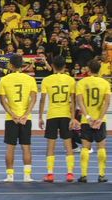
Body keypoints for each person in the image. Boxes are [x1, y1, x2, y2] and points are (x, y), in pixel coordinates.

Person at [0, 54, 38, 183]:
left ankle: (10, 176)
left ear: (10, 65)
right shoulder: (30, 79)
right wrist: (26, 114)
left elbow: (3, 100)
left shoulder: (4, 80)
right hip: (26, 118)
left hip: (11, 118)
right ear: (22, 65)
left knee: (10, 147)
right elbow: (33, 99)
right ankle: (27, 176)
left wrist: (13, 115)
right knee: (26, 146)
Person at [39, 55, 77, 183]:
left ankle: (50, 174)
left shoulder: (46, 80)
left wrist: (40, 117)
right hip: (66, 115)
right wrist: (73, 118)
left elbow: (42, 100)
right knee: (68, 146)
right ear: (64, 66)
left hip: (52, 115)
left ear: (53, 66)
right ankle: (70, 173)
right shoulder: (70, 80)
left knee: (50, 146)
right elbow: (73, 101)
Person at [75, 59, 110, 183]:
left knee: (85, 147)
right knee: (101, 147)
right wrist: (100, 119)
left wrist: (88, 118)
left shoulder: (82, 82)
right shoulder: (105, 83)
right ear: (99, 69)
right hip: (100, 120)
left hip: (86, 120)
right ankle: (101, 175)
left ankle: (84, 175)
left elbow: (80, 102)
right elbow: (107, 102)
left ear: (88, 69)